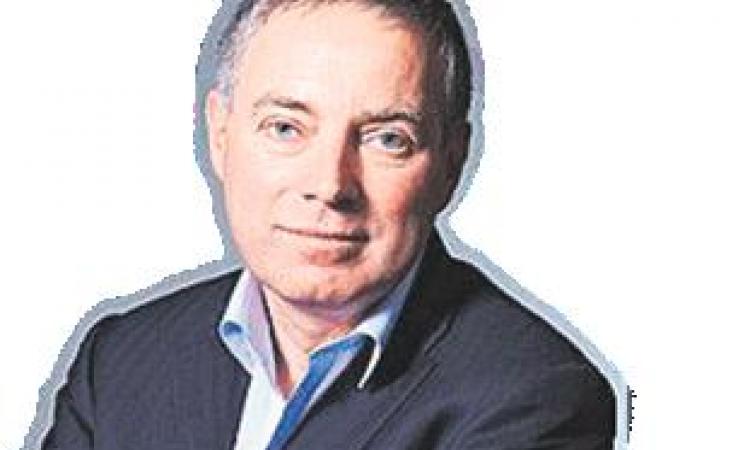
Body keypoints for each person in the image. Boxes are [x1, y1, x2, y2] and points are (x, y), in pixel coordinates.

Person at [41, 0, 617, 448]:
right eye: (285, 128)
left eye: (387, 139)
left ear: (451, 163)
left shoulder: (534, 398)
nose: (330, 184)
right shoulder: (120, 361)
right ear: (220, 134)